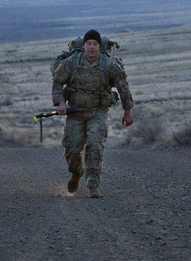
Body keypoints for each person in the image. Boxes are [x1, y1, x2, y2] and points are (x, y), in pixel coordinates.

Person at [51, 29, 134, 198]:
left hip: (98, 112)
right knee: (71, 149)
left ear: (99, 46)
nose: (92, 47)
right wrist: (61, 103)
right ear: (84, 45)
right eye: (89, 43)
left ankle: (93, 186)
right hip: (75, 112)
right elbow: (58, 82)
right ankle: (76, 172)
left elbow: (123, 87)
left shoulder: (108, 64)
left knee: (95, 147)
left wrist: (127, 112)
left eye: (95, 44)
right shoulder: (72, 62)